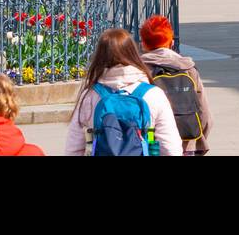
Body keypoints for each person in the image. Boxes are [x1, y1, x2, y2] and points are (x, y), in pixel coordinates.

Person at [64, 28, 182, 156]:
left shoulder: (90, 95)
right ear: (133, 53)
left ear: (99, 56)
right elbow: (171, 148)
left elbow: (73, 147)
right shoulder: (153, 94)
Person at [139, 15, 212, 155]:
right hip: (186, 142)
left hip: (152, 143)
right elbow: (204, 112)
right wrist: (197, 140)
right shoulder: (187, 68)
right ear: (171, 42)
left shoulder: (141, 70)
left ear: (143, 44)